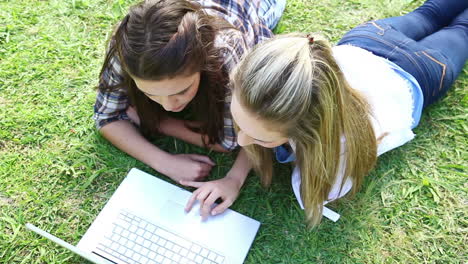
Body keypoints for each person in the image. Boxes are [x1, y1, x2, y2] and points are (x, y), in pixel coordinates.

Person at [227, 0, 467, 226]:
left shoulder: (339, 148)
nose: (240, 141)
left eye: (260, 138)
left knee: (462, 28)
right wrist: (234, 177)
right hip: (369, 40)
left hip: (419, 71)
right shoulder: (295, 90)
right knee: (430, 13)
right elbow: (260, 122)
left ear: (309, 130)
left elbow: (319, 192)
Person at [94, 0, 285, 216]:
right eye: (150, 93)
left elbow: (233, 140)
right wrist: (165, 162)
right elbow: (106, 116)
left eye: (181, 91)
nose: (169, 106)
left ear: (204, 66)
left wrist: (158, 122)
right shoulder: (129, 47)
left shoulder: (227, 51)